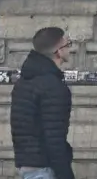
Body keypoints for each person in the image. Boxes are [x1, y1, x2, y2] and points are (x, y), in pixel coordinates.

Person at [10, 26, 75, 179]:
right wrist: (65, 173)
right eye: (67, 45)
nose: (70, 49)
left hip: (27, 163)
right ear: (59, 51)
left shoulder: (25, 81)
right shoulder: (53, 86)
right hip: (44, 167)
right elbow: (54, 136)